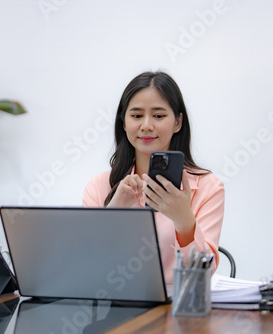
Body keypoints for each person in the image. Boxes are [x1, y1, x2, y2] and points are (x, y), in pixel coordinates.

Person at [82, 71, 224, 284]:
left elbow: (201, 276)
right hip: (114, 309)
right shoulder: (99, 186)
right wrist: (114, 212)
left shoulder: (208, 187)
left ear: (178, 122)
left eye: (158, 116)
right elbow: (86, 264)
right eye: (137, 116)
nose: (146, 125)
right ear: (123, 122)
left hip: (177, 310)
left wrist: (184, 220)